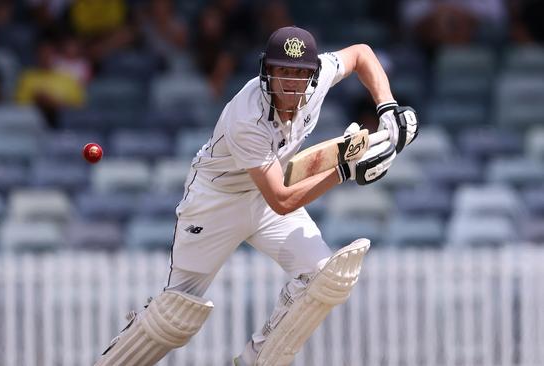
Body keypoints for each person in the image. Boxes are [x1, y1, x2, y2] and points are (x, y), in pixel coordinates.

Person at [95, 26, 419, 366]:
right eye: (283, 72)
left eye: (299, 73)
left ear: (312, 74)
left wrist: (386, 107)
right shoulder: (247, 117)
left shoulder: (320, 75)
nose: (291, 83)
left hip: (264, 193)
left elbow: (361, 53)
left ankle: (253, 359)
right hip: (216, 201)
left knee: (323, 275)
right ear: (267, 71)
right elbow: (281, 200)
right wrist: (343, 171)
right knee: (175, 314)